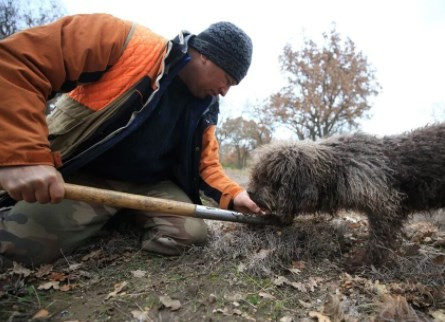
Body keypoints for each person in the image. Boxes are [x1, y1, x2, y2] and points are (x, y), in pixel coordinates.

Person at [0, 13, 265, 269]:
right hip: (87, 174)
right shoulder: (124, 39)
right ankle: (107, 214)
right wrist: (23, 155)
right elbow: (18, 62)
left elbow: (206, 166)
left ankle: (119, 214)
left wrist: (235, 195)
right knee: (18, 248)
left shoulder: (206, 106)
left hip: (151, 185)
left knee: (191, 234)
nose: (225, 92)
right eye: (228, 80)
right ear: (206, 55)